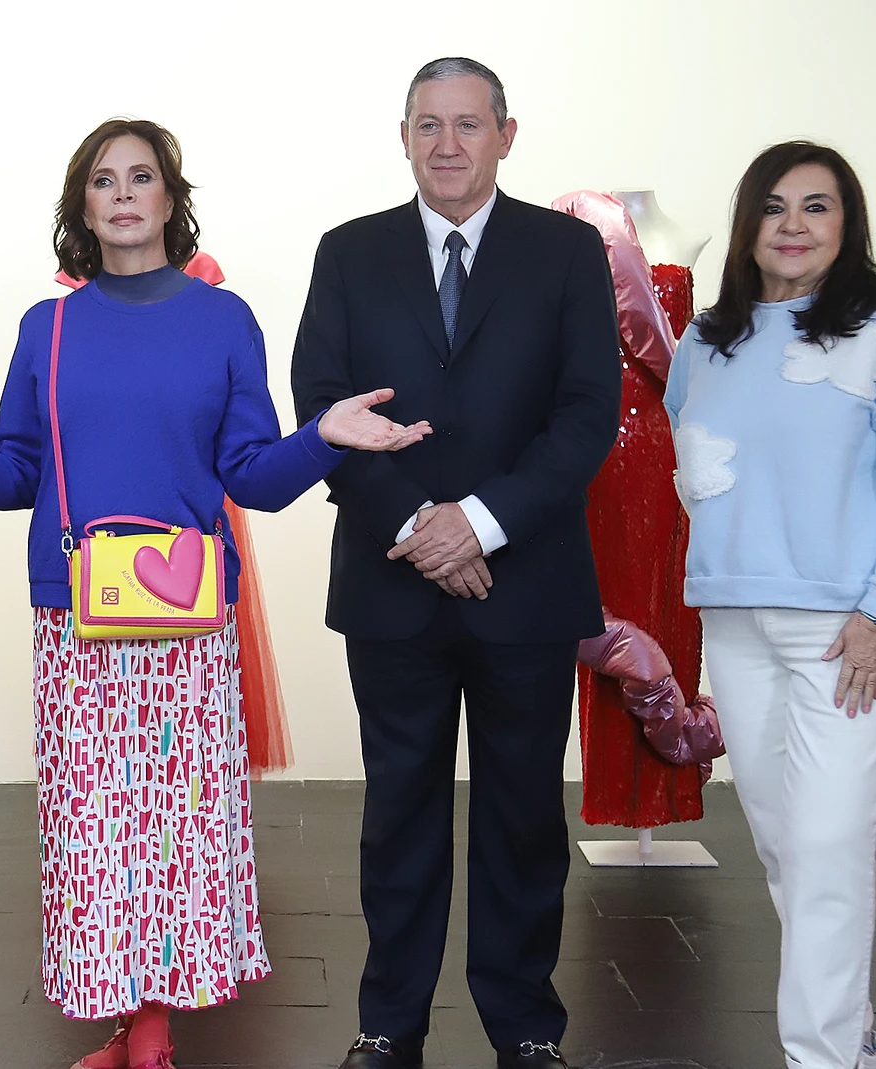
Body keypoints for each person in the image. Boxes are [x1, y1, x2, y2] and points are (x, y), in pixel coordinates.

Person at [0, 118, 428, 1069]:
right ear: (83, 205)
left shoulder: (223, 320)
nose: (121, 194)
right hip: (76, 614)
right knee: (95, 827)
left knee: (176, 826)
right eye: (102, 180)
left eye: (140, 176)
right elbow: (20, 473)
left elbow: (255, 478)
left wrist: (326, 435)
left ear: (167, 197)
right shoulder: (49, 326)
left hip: (187, 618)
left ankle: (151, 1029)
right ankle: (134, 1024)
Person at [290, 58, 621, 1069]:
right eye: (427, 124)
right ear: (402, 137)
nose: (447, 143)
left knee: (523, 817)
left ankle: (524, 1026)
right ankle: (388, 1021)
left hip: (524, 584)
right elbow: (323, 402)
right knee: (399, 819)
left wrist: (476, 522)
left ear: (505, 135)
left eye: (467, 124)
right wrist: (419, 528)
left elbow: (584, 417)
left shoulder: (566, 252)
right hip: (393, 586)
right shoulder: (349, 252)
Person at [664, 141, 876, 1069]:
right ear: (748, 226)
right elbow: (697, 472)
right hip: (735, 620)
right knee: (784, 845)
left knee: (830, 844)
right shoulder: (707, 339)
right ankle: (854, 1043)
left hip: (850, 628)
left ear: (848, 224)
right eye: (774, 207)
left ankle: (825, 1057)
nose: (794, 226)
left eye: (817, 206)